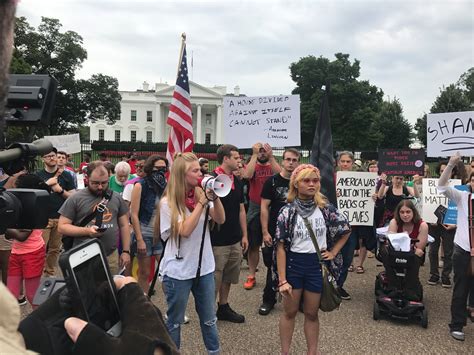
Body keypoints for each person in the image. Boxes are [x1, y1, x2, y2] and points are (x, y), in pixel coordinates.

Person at [274, 164, 350, 354]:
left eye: (315, 180)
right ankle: (285, 352)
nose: (312, 184)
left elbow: (345, 230)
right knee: (290, 312)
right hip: (294, 266)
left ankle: (312, 352)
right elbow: (280, 246)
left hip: (316, 266)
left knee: (312, 313)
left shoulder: (326, 209)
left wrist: (333, 252)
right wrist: (282, 279)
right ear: (296, 184)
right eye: (306, 180)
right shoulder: (287, 212)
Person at [159, 152, 225, 353]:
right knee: (175, 321)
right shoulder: (167, 203)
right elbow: (185, 231)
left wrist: (215, 196)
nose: (200, 173)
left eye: (200, 169)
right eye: (195, 170)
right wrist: (202, 203)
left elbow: (220, 219)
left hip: (203, 268)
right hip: (178, 271)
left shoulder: (200, 195)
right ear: (181, 174)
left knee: (209, 320)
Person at [57, 161, 131, 274]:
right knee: (84, 290)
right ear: (87, 178)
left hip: (110, 256)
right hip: (82, 256)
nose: (100, 187)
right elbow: (62, 227)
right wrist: (87, 231)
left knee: (109, 290)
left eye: (104, 183)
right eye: (95, 183)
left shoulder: (116, 197)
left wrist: (126, 251)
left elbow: (124, 224)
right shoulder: (75, 198)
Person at [258, 148, 299, 316]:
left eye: (294, 160)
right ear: (282, 161)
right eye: (288, 159)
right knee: (273, 267)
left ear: (298, 162)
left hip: (297, 232)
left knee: (296, 266)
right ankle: (268, 299)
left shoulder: (301, 182)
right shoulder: (272, 182)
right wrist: (265, 232)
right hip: (276, 232)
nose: (290, 162)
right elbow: (264, 208)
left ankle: (296, 300)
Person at [437, 153, 474, 341]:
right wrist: (451, 164)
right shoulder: (462, 197)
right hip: (463, 250)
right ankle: (457, 324)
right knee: (461, 288)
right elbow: (441, 187)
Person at [210, 144, 248, 323]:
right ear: (226, 158)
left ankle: (223, 306)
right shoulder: (212, 179)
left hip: (234, 237)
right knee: (215, 277)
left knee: (229, 276)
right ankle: (209, 310)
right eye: (236, 157)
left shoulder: (237, 181)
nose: (239, 160)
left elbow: (241, 209)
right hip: (217, 239)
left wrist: (244, 235)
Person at [242, 142, 281, 290]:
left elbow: (280, 175)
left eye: (265, 151)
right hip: (256, 207)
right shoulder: (253, 164)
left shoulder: (272, 164)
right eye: (260, 151)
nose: (262, 153)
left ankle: (277, 275)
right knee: (254, 245)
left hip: (273, 207)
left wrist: (271, 157)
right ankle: (251, 275)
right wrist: (253, 155)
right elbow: (247, 175)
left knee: (277, 244)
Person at [6, 174, 48, 307]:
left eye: (15, 185)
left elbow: (22, 236)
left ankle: (43, 323)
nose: (12, 188)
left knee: (32, 295)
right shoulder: (18, 205)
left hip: (32, 253)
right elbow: (12, 234)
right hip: (16, 252)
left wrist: (4, 228)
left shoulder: (33, 207)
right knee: (11, 294)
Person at [130, 155, 167, 291]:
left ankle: (172, 307)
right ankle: (144, 305)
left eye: (164, 168)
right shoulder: (140, 185)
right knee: (144, 273)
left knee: (166, 272)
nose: (162, 171)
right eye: (158, 168)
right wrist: (139, 239)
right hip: (144, 233)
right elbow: (133, 214)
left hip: (160, 235)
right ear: (151, 168)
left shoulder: (165, 186)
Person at [36, 147, 75, 276]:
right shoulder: (38, 176)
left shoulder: (67, 175)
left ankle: (50, 273)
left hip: (60, 217)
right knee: (40, 248)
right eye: (48, 156)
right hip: (43, 218)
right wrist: (47, 185)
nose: (52, 158)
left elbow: (73, 197)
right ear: (42, 159)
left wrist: (60, 190)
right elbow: (34, 196)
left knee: (54, 249)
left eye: (53, 155)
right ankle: (37, 274)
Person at [382, 199, 428, 301]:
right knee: (384, 250)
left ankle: (410, 288)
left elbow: (419, 248)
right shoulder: (394, 222)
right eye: (402, 212)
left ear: (413, 212)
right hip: (396, 252)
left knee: (418, 254)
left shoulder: (422, 225)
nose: (405, 215)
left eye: (408, 212)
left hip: (412, 254)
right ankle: (392, 285)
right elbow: (391, 243)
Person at [427, 161, 457, 288]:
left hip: (449, 224)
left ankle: (446, 276)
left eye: (448, 170)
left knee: (449, 252)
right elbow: (427, 203)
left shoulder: (458, 186)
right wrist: (429, 218)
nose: (444, 173)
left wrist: (455, 223)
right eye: (441, 171)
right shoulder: (431, 186)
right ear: (439, 172)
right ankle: (434, 274)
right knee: (433, 250)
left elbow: (461, 207)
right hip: (433, 223)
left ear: (453, 172)